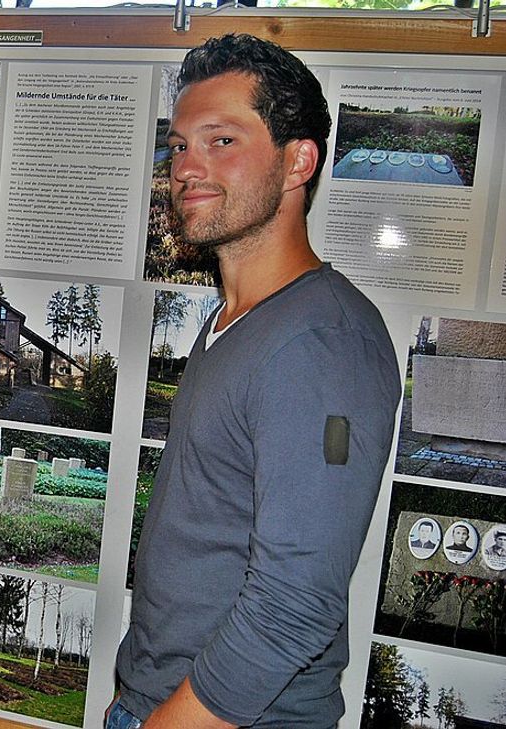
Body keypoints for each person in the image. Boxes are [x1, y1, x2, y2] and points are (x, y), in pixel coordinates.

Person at [110, 35, 400, 729]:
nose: (186, 167)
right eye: (178, 145)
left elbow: (293, 604)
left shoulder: (321, 342)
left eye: (221, 140)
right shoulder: (234, 320)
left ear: (298, 160)